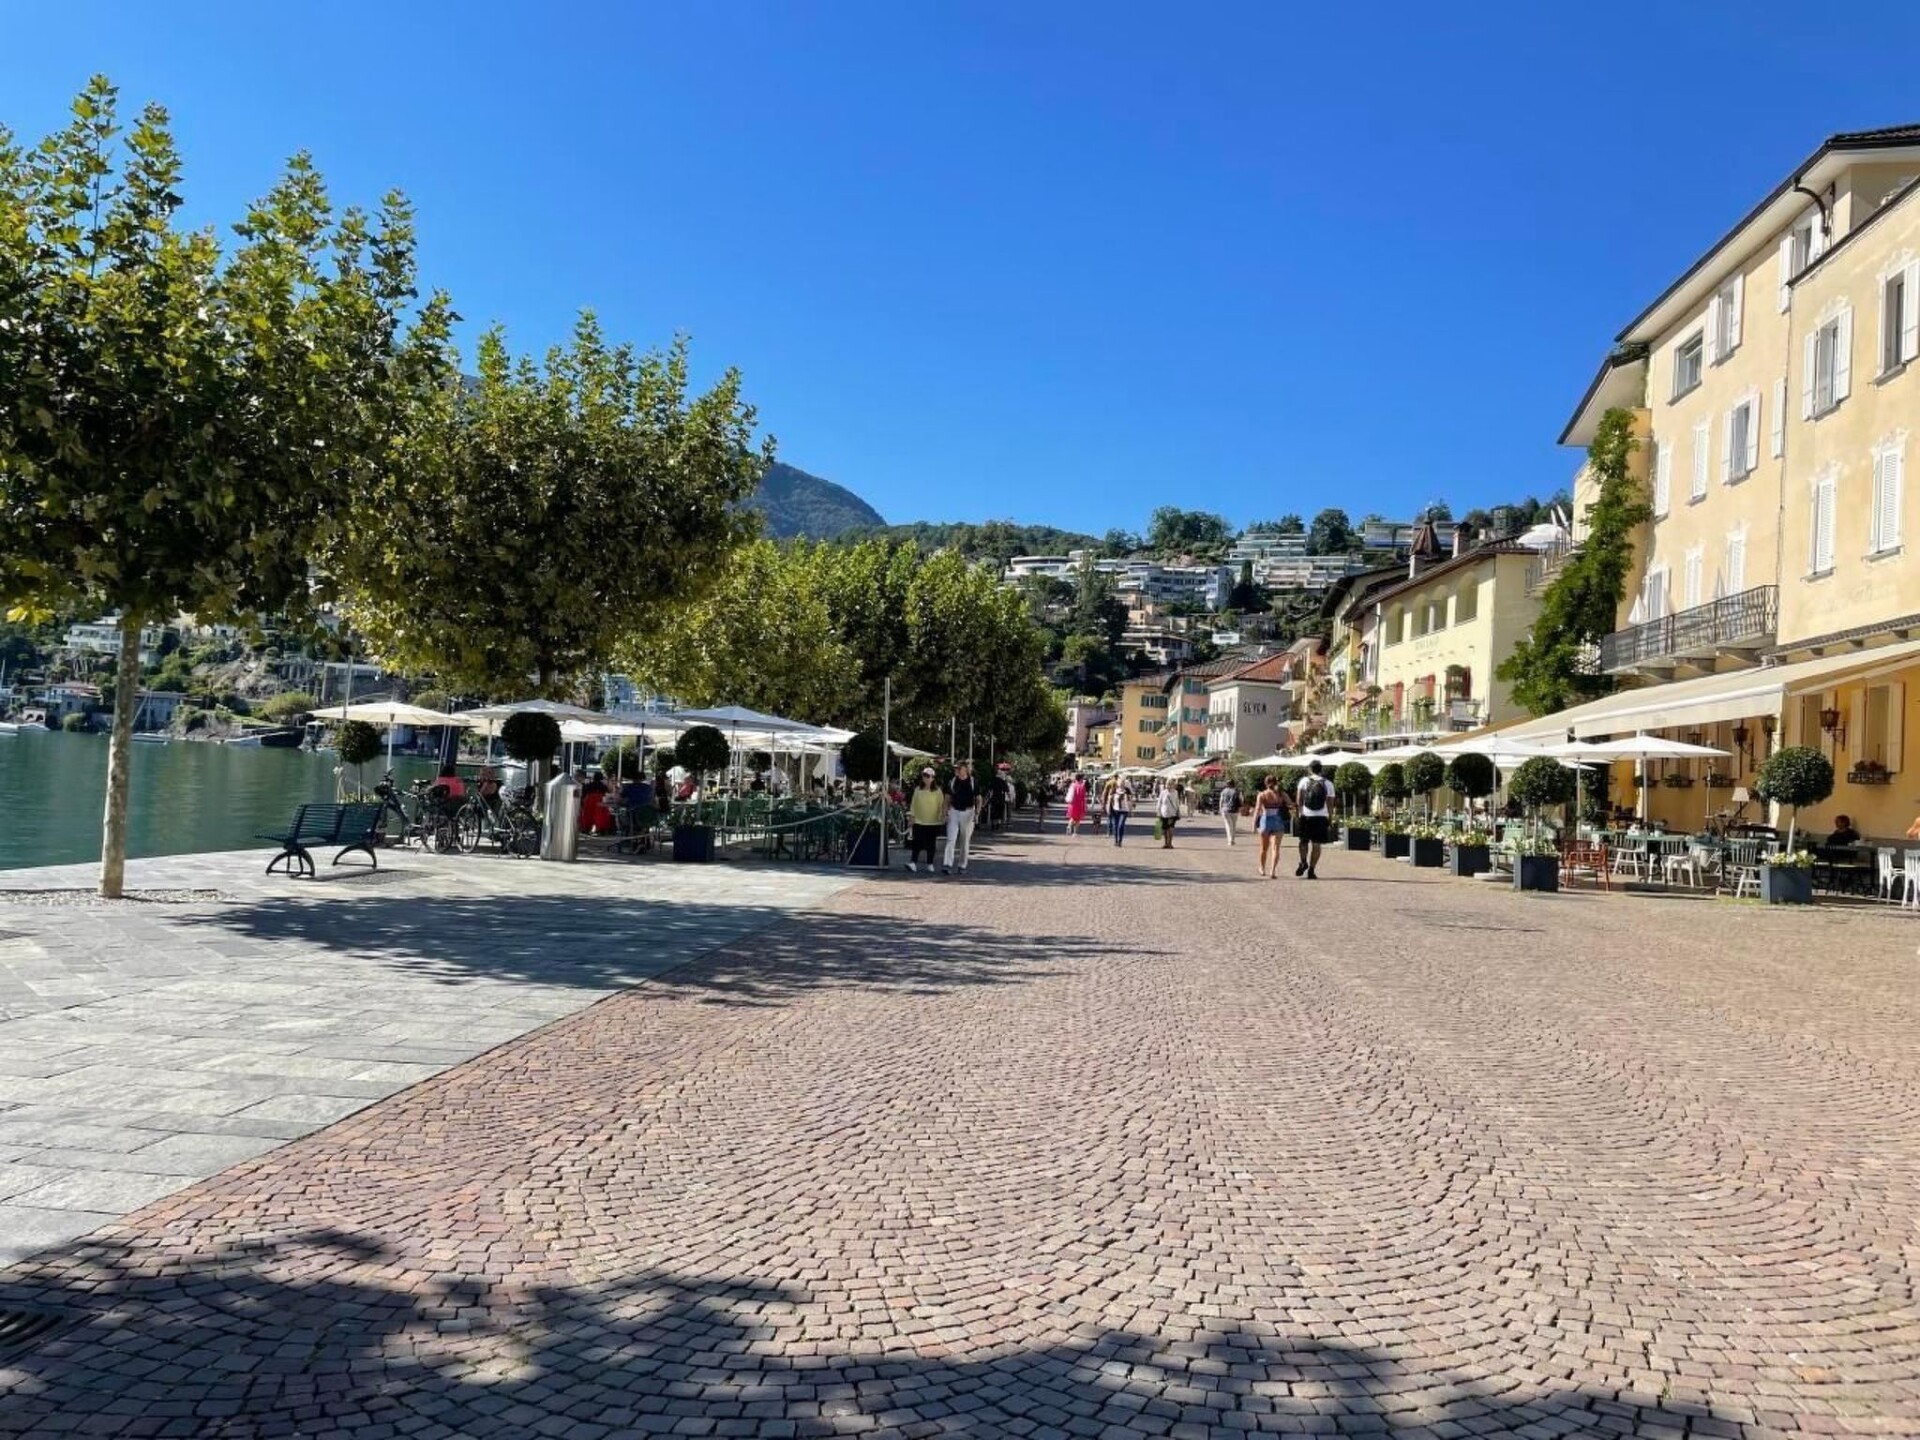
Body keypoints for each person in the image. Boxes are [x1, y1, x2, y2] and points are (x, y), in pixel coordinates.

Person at [1294, 759, 1336, 879]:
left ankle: (1303, 862)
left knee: (1303, 841)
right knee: (1317, 845)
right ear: (1321, 769)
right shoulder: (1328, 783)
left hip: (1306, 815)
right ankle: (1312, 870)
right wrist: (1330, 818)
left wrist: (1299, 814)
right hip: (1321, 817)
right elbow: (1330, 804)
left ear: (1310, 769)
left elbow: (1299, 800)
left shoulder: (1304, 781)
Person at [906, 767, 946, 873]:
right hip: (919, 821)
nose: (927, 778)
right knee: (916, 842)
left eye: (929, 776)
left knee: (931, 843)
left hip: (933, 821)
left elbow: (942, 805)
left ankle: (930, 863)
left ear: (933, 778)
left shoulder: (937, 791)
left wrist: (943, 816)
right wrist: (911, 817)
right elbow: (913, 804)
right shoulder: (917, 790)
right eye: (925, 776)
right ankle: (913, 862)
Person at [944, 761, 979, 875]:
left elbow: (978, 798)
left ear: (966, 769)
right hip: (954, 811)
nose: (957, 770)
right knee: (951, 839)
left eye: (959, 768)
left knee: (964, 840)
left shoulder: (973, 782)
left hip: (968, 812)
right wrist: (945, 812)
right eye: (956, 768)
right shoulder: (952, 781)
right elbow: (947, 797)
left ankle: (962, 865)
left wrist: (977, 813)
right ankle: (947, 864)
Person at [1251, 774, 1286, 878]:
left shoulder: (1262, 795)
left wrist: (1254, 824)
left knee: (1264, 848)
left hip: (1265, 820)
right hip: (1277, 820)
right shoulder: (1281, 793)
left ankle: (1262, 868)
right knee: (1276, 848)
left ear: (1265, 783)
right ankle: (1273, 871)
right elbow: (1290, 803)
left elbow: (1257, 809)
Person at [1104, 775, 1134, 846]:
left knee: (1121, 825)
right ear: (1117, 783)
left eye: (1122, 782)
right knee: (1115, 825)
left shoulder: (1127, 791)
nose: (1121, 784)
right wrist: (1108, 809)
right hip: (1115, 810)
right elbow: (1110, 799)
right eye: (1120, 782)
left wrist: (1131, 811)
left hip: (1124, 810)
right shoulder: (1114, 790)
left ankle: (1120, 841)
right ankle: (1116, 841)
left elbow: (1130, 801)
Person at [1155, 779, 1181, 848]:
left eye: (1171, 784)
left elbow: (1177, 802)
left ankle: (1170, 843)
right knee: (1165, 829)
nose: (1169, 785)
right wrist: (1158, 811)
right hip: (1164, 812)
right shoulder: (1163, 792)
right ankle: (1166, 843)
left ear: (1173, 785)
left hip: (1172, 812)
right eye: (1168, 784)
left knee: (1170, 828)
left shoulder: (1175, 792)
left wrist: (1178, 811)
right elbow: (1159, 802)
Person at [1217, 778, 1242, 847]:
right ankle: (1233, 840)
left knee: (1228, 825)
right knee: (1234, 825)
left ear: (1227, 784)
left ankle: (1230, 840)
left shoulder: (1224, 791)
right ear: (1234, 784)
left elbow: (1221, 800)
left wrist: (1220, 809)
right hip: (1235, 810)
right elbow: (1241, 800)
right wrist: (1240, 808)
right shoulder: (1237, 791)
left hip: (1225, 810)